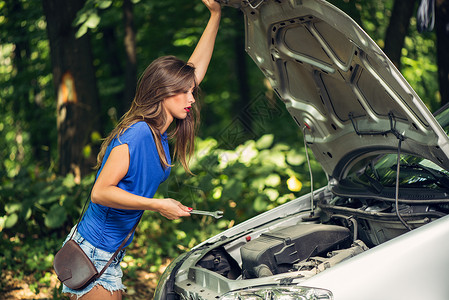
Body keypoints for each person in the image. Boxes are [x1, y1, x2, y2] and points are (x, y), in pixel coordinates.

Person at [61, 1, 222, 299]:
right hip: (94, 251)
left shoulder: (160, 135)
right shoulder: (137, 133)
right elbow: (100, 192)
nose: (192, 98)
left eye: (191, 91)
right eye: (184, 92)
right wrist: (159, 204)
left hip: (110, 251)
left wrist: (215, 15)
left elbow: (193, 72)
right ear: (161, 93)